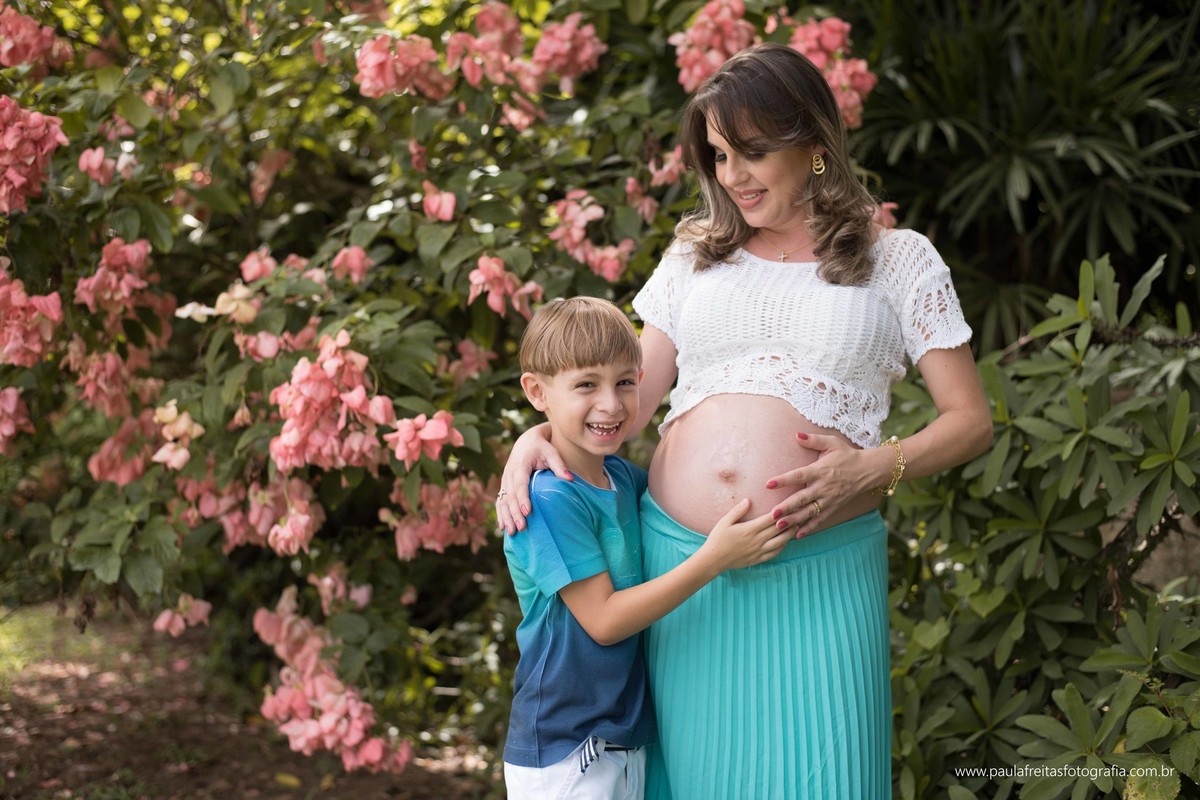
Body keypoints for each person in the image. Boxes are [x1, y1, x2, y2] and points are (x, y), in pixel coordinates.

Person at [496, 43, 994, 799]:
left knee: (827, 778)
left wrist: (872, 465)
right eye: (720, 155)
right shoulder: (696, 260)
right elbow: (621, 401)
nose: (732, 176)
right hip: (686, 576)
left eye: (753, 152)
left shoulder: (899, 262)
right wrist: (534, 439)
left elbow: (970, 421)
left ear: (816, 146)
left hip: (818, 574)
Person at [501, 296, 791, 800]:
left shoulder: (617, 477)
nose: (611, 404)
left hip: (620, 735)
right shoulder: (549, 500)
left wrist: (535, 434)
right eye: (586, 384)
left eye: (625, 382)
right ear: (536, 390)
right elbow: (605, 620)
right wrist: (714, 559)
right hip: (568, 741)